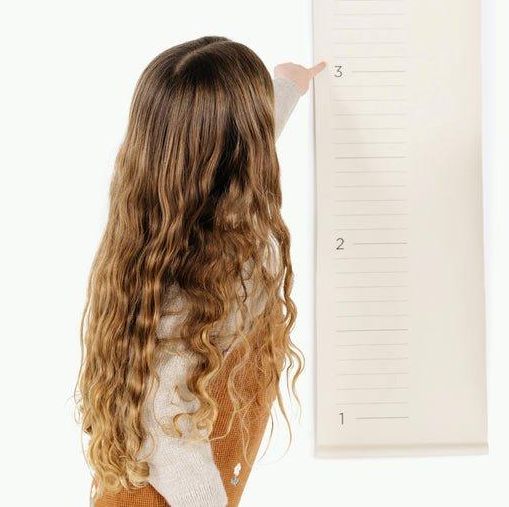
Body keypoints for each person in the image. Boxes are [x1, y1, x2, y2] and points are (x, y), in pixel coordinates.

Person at [76, 36, 325, 506]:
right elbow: (165, 432)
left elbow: (239, 134)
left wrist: (289, 85)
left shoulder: (175, 211)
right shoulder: (201, 280)